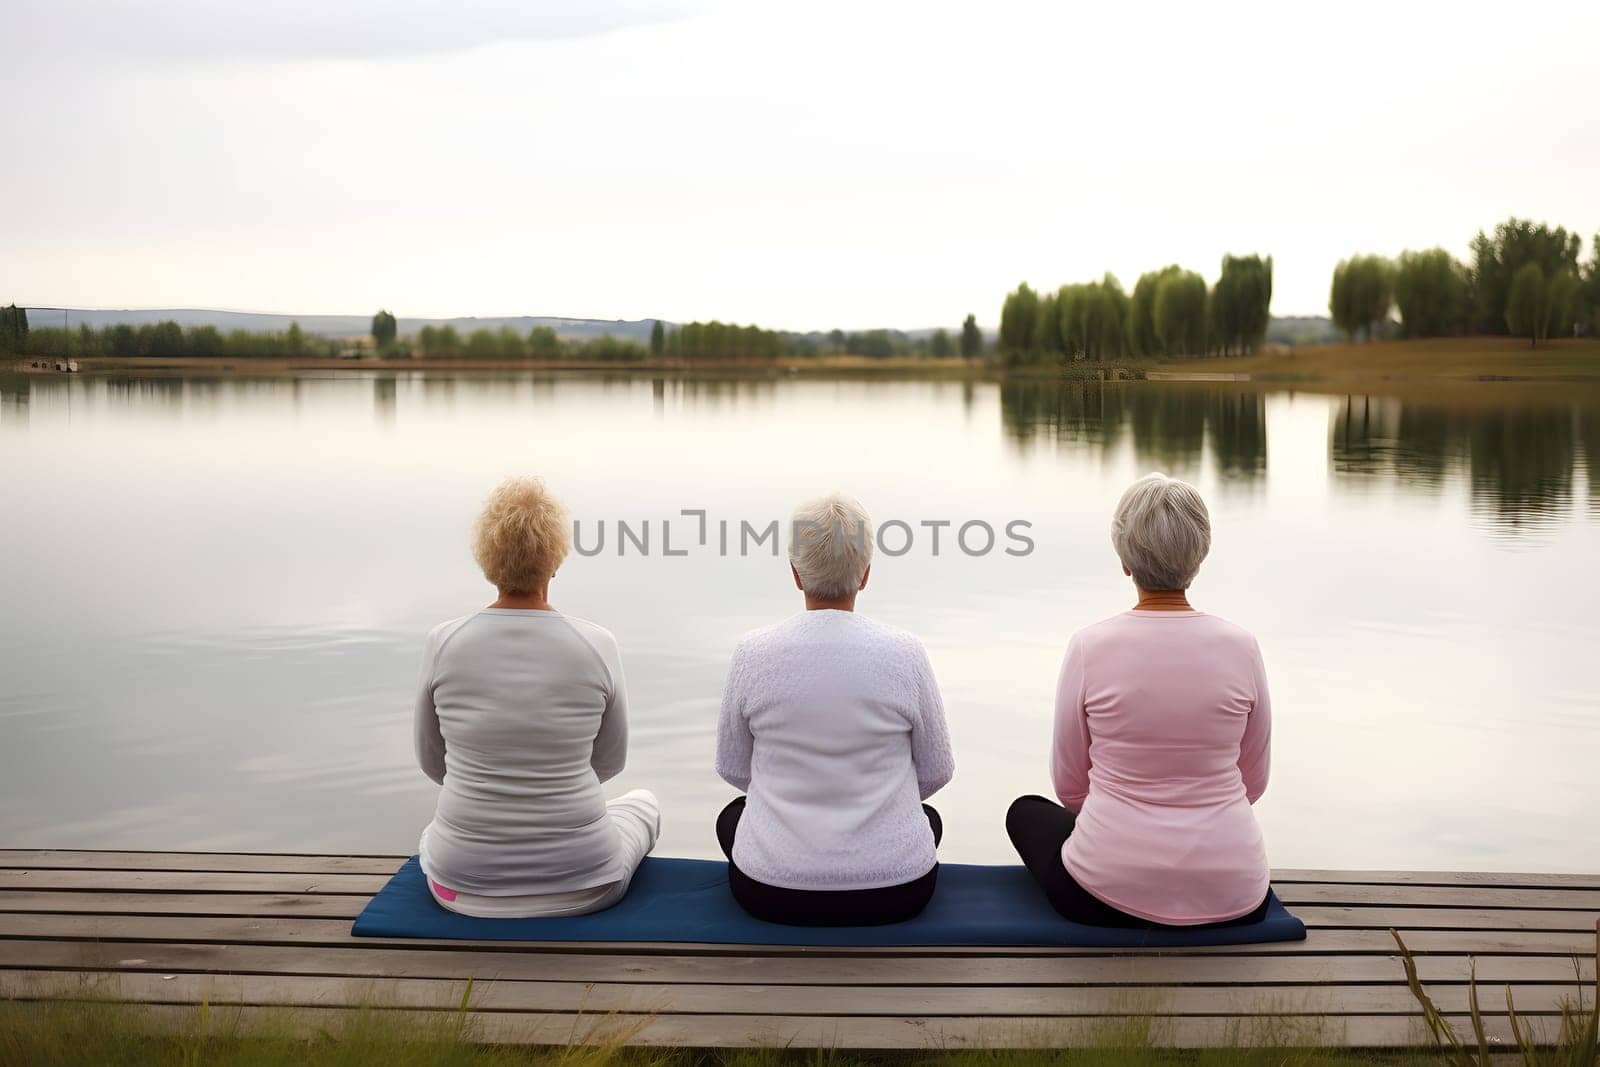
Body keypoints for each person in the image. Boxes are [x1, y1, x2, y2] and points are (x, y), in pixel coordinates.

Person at [1007, 472, 1273, 928]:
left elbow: (1070, 787)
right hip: (1235, 891)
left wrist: (1126, 827)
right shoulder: (1243, 647)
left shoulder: (1090, 647)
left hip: (1104, 892)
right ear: (1199, 555)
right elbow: (1253, 782)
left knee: (1025, 813)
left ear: (1125, 561)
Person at [413, 476, 659, 918]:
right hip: (586, 885)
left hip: (461, 887)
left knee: (437, 830)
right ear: (555, 559)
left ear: (487, 558)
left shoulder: (443, 641)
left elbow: (434, 763)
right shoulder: (596, 644)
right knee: (642, 804)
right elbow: (610, 763)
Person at [714, 492, 955, 926]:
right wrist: (874, 804)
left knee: (734, 817)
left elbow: (733, 769)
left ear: (794, 573)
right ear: (865, 574)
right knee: (927, 819)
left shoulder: (752, 652)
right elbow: (937, 771)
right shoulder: (906, 653)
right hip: (897, 891)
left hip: (771, 892)